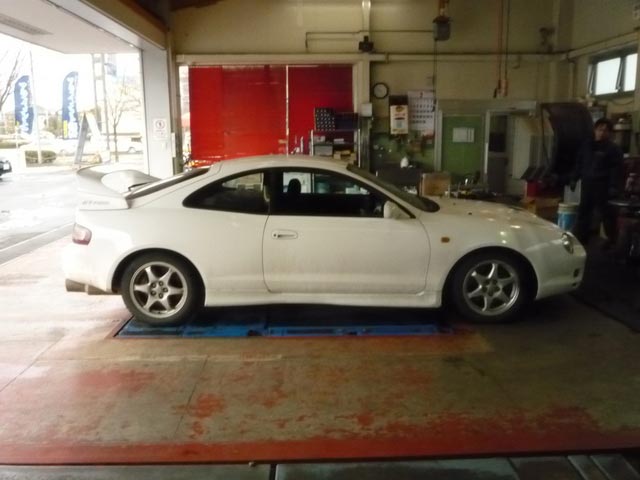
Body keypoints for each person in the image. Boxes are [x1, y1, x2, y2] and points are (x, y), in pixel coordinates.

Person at [570, 118, 624, 247]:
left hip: (603, 186)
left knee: (607, 214)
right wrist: (574, 178)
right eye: (600, 129)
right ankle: (580, 240)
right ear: (595, 130)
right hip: (587, 184)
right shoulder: (586, 146)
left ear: (610, 133)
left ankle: (612, 241)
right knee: (583, 212)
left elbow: (616, 169)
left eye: (605, 130)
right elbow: (579, 163)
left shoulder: (613, 149)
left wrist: (613, 186)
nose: (602, 133)